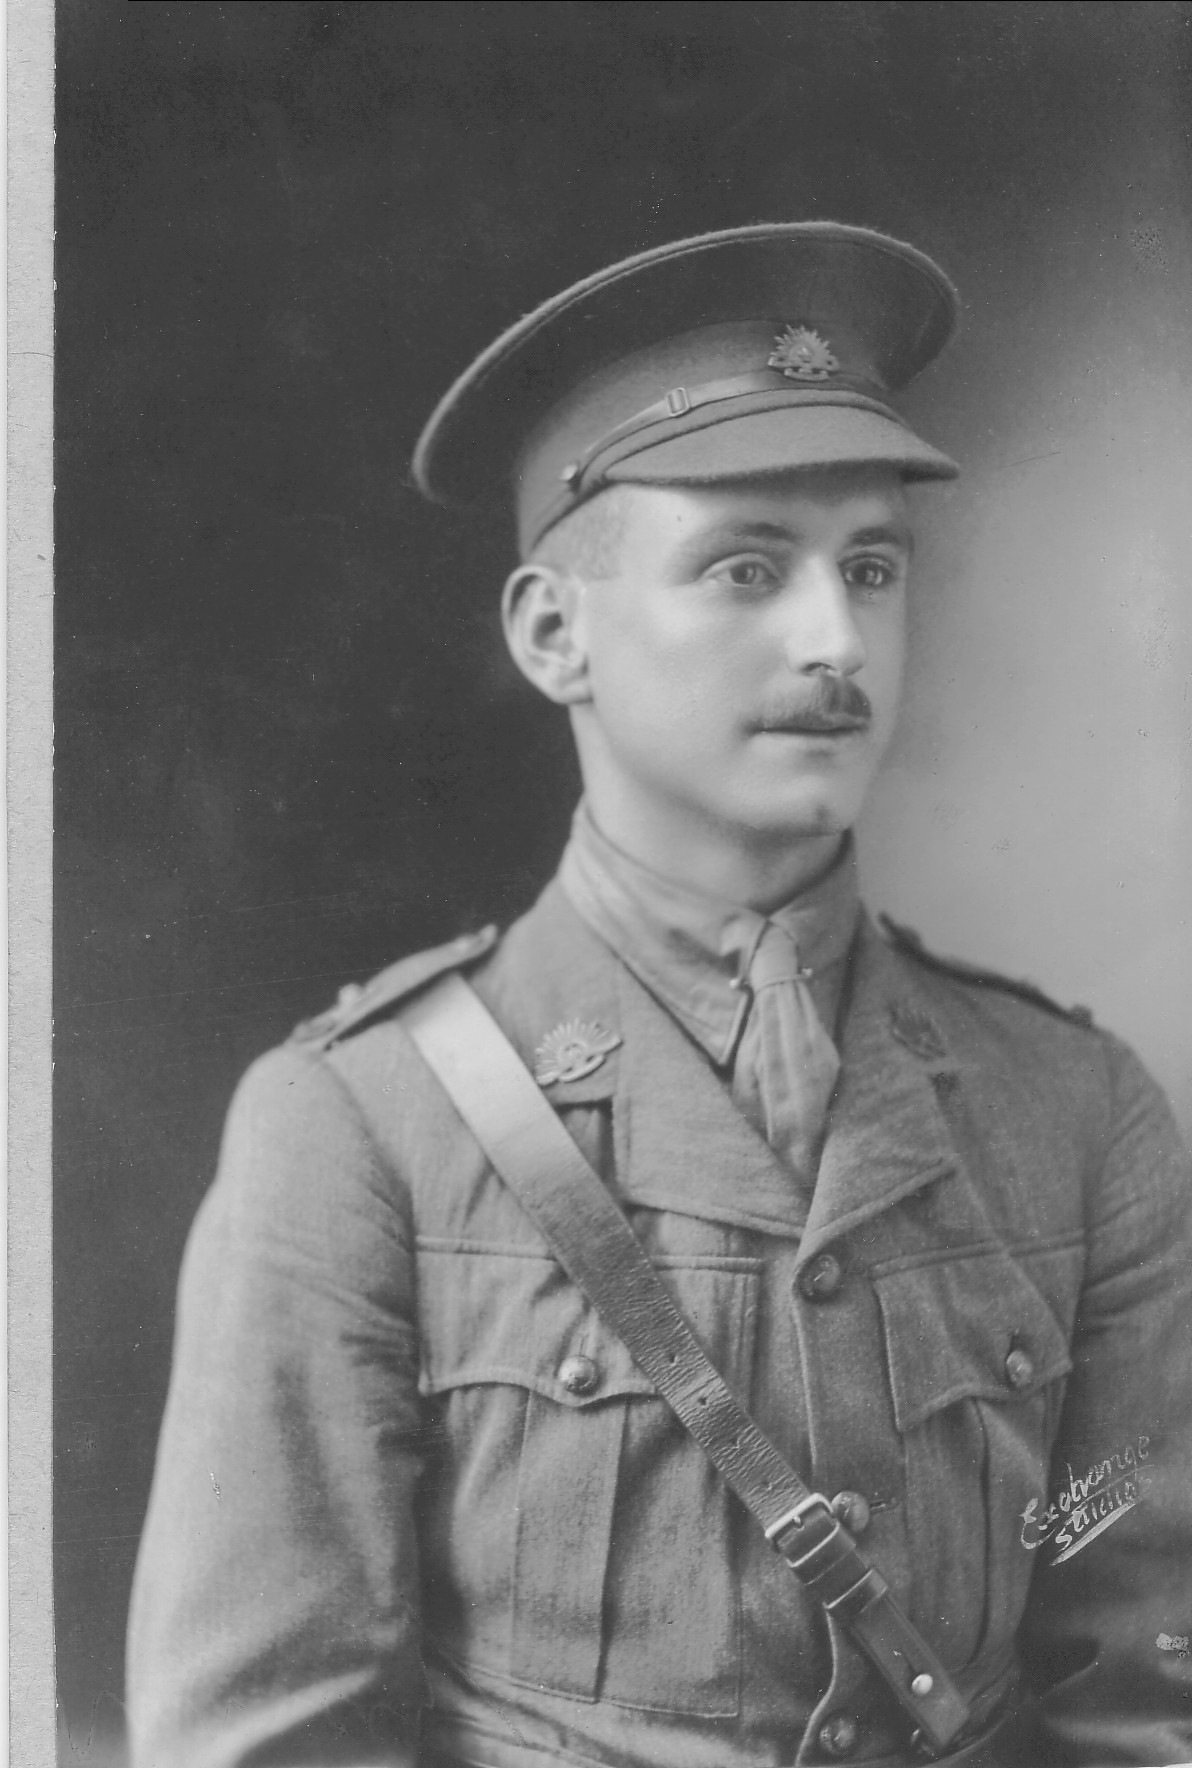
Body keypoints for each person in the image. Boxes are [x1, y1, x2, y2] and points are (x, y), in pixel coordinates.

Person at [126, 224, 1192, 1768]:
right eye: (747, 568)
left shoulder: (1077, 1114)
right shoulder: (360, 1126)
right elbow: (270, 1740)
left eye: (872, 569)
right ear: (554, 633)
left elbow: (1149, 1696)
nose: (835, 639)